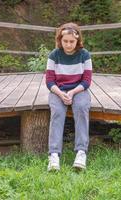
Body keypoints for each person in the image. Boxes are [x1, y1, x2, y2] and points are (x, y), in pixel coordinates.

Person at [45, 22, 92, 171]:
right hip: (58, 90)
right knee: (58, 112)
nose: (68, 44)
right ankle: (53, 155)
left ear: (78, 41)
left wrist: (72, 93)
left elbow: (86, 81)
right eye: (65, 41)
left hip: (79, 90)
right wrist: (60, 93)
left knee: (81, 108)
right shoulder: (54, 55)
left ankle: (81, 152)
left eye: (72, 41)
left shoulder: (85, 55)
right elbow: (49, 81)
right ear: (60, 40)